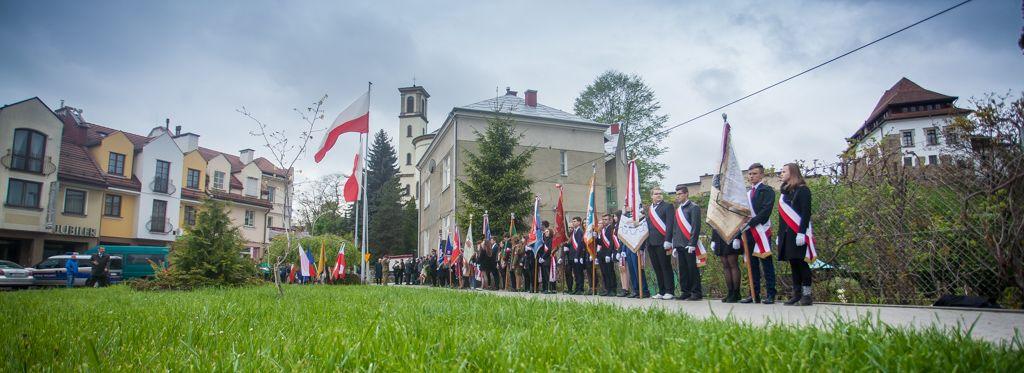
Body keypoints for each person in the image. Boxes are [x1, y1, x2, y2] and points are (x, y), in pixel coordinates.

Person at [738, 163, 778, 304]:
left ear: (761, 175)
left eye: (754, 173)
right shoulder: (747, 194)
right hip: (748, 233)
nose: (751, 176)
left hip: (761, 231)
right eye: (749, 174)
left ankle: (771, 294)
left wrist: (750, 223)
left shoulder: (767, 191)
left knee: (766, 264)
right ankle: (754, 294)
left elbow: (765, 212)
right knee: (751, 264)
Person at [778, 163, 815, 306]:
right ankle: (796, 294)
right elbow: (782, 216)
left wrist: (801, 232)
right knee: (793, 263)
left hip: (799, 232)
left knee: (802, 263)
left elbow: (806, 213)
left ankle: (807, 295)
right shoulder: (786, 193)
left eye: (783, 171)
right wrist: (780, 235)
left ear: (792, 172)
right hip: (787, 234)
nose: (781, 174)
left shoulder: (803, 190)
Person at [671, 185, 703, 301]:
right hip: (679, 244)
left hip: (689, 245)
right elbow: (675, 229)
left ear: (686, 194)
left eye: (680, 194)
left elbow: (695, 227)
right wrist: (674, 245)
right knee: (683, 270)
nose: (678, 196)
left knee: (692, 269)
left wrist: (692, 243)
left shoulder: (694, 207)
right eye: (677, 194)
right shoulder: (678, 210)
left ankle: (696, 292)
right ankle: (685, 291)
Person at [645, 188, 675, 299]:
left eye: (660, 193)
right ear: (651, 196)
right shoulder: (650, 209)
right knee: (657, 268)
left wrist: (668, 239)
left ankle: (669, 291)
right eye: (656, 194)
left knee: (665, 266)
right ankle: (661, 291)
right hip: (651, 243)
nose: (659, 195)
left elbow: (670, 224)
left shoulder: (668, 206)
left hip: (663, 242)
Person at [712, 228, 742, 302]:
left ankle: (736, 293)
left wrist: (737, 237)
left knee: (732, 263)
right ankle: (730, 292)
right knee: (725, 264)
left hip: (732, 233)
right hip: (720, 235)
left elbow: (739, 221)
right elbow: (714, 221)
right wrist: (713, 239)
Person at [597, 214, 618, 296]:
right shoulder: (603, 230)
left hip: (608, 254)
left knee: (610, 272)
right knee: (604, 272)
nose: (604, 221)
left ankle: (613, 289)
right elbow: (601, 243)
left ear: (610, 220)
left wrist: (609, 254)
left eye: (606, 219)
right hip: (602, 254)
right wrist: (596, 238)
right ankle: (607, 289)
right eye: (603, 219)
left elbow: (612, 243)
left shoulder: (611, 229)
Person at [568, 217, 586, 294]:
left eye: (575, 221)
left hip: (578, 256)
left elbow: (580, 245)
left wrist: (577, 256)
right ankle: (577, 288)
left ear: (579, 222)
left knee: (579, 273)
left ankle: (580, 288)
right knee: (575, 273)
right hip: (573, 255)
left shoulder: (580, 231)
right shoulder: (574, 232)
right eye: (573, 221)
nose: (573, 223)